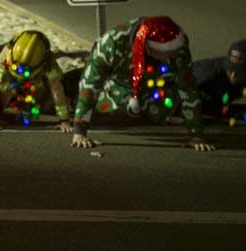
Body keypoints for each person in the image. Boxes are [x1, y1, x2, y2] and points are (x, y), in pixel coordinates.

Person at [71, 16, 212, 151]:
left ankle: (148, 112)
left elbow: (187, 88)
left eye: (174, 51)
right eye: (167, 52)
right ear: (150, 48)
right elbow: (90, 84)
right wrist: (80, 131)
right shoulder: (113, 41)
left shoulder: (178, 47)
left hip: (155, 85)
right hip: (117, 85)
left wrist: (197, 135)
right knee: (110, 108)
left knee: (161, 109)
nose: (172, 56)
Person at [0, 30, 73, 133]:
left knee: (52, 100)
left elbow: (57, 91)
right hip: (11, 87)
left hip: (37, 90)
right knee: (2, 87)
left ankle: (31, 105)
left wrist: (64, 120)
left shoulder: (48, 63)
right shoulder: (4, 58)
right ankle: (11, 105)